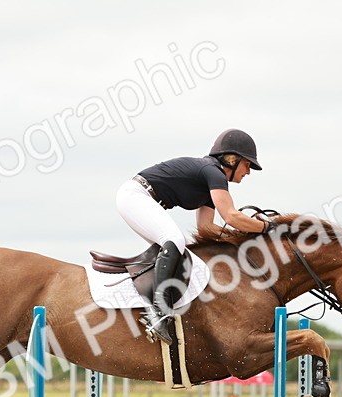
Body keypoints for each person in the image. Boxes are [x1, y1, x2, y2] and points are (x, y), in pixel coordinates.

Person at [116, 128, 272, 344]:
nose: (248, 172)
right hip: (136, 195)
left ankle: (148, 303)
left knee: (179, 251)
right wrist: (267, 227)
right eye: (247, 164)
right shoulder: (214, 172)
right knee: (175, 240)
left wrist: (239, 237)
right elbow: (231, 216)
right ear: (232, 159)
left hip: (139, 198)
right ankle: (157, 313)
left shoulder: (210, 182)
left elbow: (205, 228)